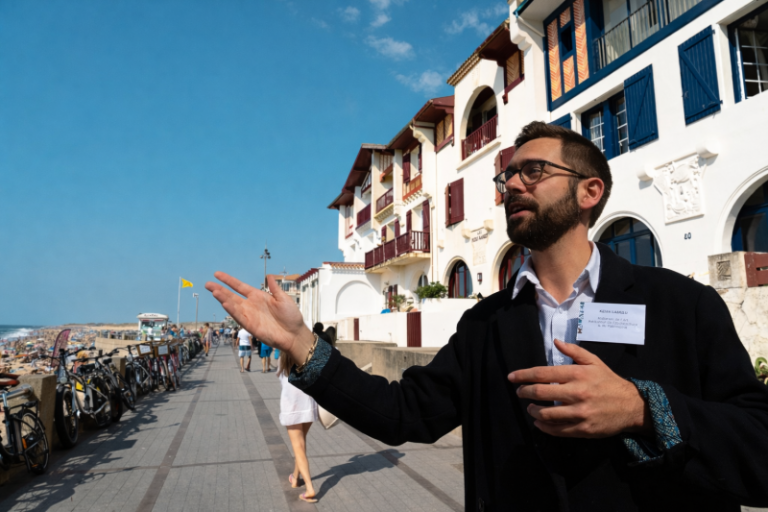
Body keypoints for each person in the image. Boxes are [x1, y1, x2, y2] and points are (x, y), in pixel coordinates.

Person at [206, 121, 768, 510]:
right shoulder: (486, 324)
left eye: (534, 172)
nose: (512, 186)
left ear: (590, 191)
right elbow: (403, 413)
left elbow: (758, 447)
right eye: (507, 177)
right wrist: (301, 345)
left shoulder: (683, 305)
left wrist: (644, 410)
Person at [277, 349, 319, 504]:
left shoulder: (283, 362)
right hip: (308, 404)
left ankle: (309, 488)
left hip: (292, 407)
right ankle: (295, 478)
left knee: (298, 447)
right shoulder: (308, 358)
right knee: (300, 446)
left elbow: (281, 380)